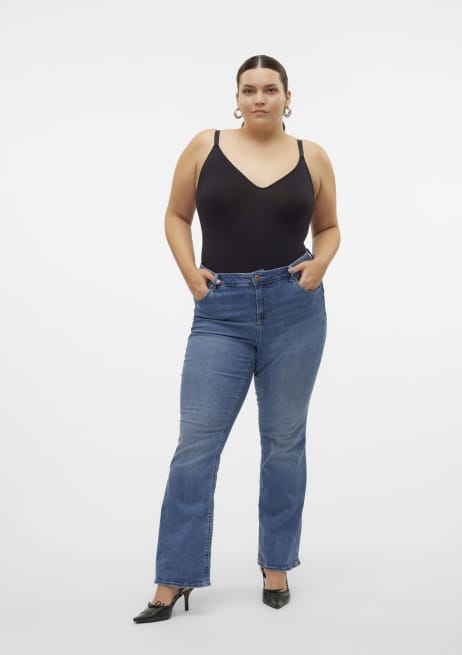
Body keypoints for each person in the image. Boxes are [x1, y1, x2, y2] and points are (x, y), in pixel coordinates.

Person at [133, 54, 340, 623]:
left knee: (283, 441)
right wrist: (190, 276)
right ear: (237, 97)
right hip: (220, 311)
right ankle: (173, 577)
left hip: (294, 308)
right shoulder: (206, 146)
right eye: (249, 90)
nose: (259, 98)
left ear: (288, 98)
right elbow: (175, 216)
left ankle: (277, 565)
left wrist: (320, 265)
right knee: (196, 446)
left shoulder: (313, 156)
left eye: (270, 89)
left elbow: (328, 227)